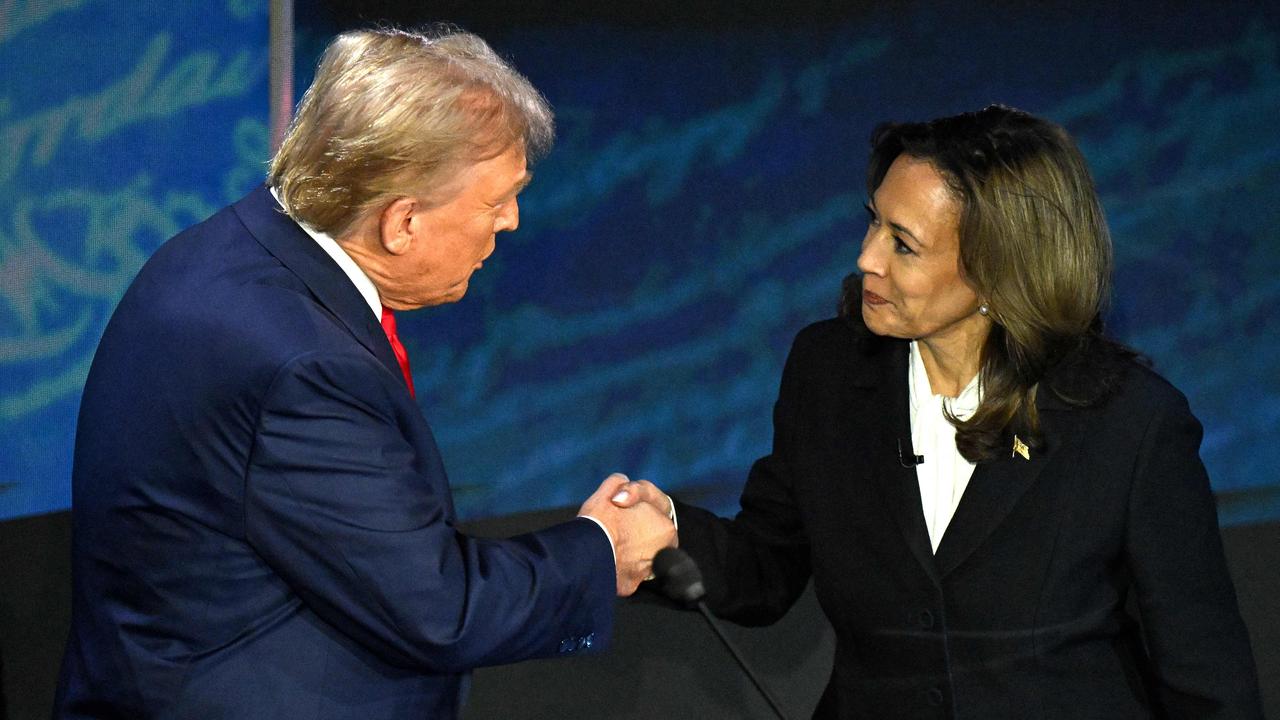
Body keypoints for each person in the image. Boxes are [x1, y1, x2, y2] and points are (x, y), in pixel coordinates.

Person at [53, 27, 674, 719]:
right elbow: (439, 609)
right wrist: (602, 549)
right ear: (401, 221)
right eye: (497, 201)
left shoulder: (225, 250)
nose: (512, 222)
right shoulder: (303, 363)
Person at [614, 105, 1263, 718]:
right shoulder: (831, 373)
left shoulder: (1130, 423)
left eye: (904, 243)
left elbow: (1206, 678)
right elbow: (767, 566)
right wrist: (667, 534)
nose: (866, 257)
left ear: (997, 269)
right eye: (873, 222)